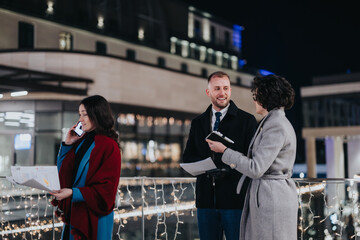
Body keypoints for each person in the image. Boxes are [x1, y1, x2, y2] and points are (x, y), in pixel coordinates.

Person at [206, 74, 298, 240]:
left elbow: (256, 168)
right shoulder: (272, 122)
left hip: (271, 200)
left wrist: (225, 151)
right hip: (271, 196)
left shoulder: (275, 125)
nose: (254, 100)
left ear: (266, 96)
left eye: (255, 96)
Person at [183, 71, 257, 240]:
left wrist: (228, 169)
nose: (222, 93)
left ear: (230, 90)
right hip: (205, 201)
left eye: (225, 88)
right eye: (217, 88)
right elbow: (188, 157)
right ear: (208, 92)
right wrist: (206, 168)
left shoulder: (247, 121)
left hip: (235, 201)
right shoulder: (198, 122)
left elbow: (252, 161)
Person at [51, 95, 121, 240]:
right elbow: (63, 172)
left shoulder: (109, 146)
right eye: (80, 115)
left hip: (95, 215)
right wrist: (67, 144)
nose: (80, 119)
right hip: (76, 210)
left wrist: (73, 193)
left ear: (97, 115)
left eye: (85, 114)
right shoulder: (81, 141)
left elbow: (107, 189)